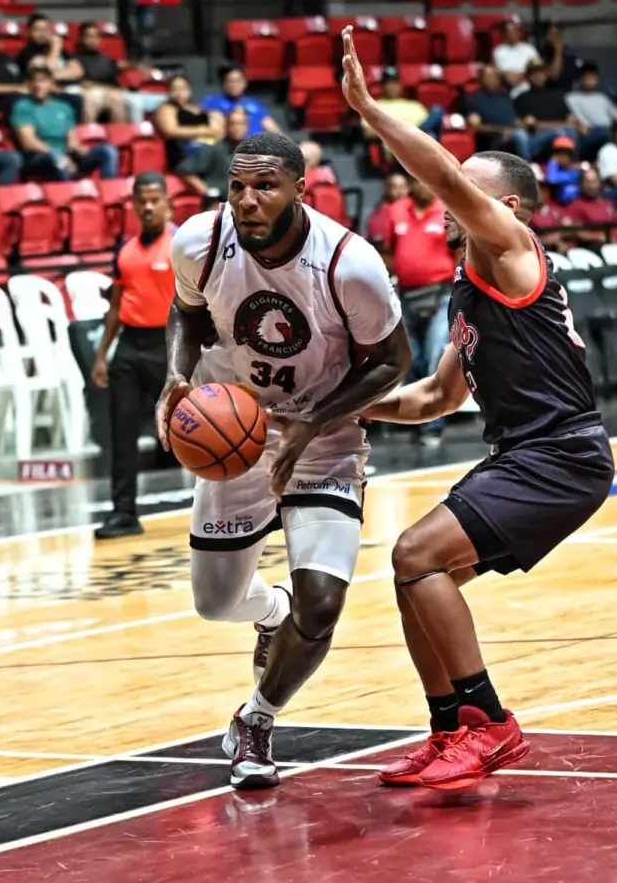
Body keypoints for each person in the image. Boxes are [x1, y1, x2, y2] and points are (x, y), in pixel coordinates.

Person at [341, 24, 614, 791]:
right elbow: (438, 396)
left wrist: (371, 109)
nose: (450, 192)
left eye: (467, 182)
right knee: (412, 572)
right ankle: (448, 727)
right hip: (529, 455)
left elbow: (440, 175)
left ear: (510, 204)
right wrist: (347, 413)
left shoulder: (513, 243)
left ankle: (490, 722)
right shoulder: (471, 284)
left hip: (561, 453)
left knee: (415, 553)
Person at [155, 131, 410, 789]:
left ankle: (256, 719)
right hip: (235, 427)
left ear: (302, 187)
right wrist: (177, 375)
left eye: (264, 185)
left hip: (321, 433)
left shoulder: (349, 263)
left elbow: (392, 361)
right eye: (236, 186)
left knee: (321, 604)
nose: (246, 199)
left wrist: (313, 421)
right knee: (216, 603)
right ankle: (272, 612)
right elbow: (184, 315)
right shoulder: (198, 242)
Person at [91, 173, 176, 539]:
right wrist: (101, 355)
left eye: (155, 199)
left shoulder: (179, 245)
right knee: (122, 433)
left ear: (167, 202)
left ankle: (228, 507)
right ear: (133, 204)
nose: (148, 206)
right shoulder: (124, 250)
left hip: (169, 345)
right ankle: (123, 513)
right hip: (128, 346)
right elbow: (115, 306)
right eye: (142, 200)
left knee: (199, 427)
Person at [384, 177, 454, 447]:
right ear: (412, 186)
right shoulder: (397, 210)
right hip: (406, 293)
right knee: (411, 358)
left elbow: (459, 250)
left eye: (429, 184)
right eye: (419, 183)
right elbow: (389, 250)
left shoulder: (446, 210)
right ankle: (413, 419)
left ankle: (433, 424)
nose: (425, 188)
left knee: (435, 355)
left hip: (440, 293)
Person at [11, 65, 119, 181]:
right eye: (34, 81)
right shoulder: (23, 107)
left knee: (107, 151)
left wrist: (78, 148)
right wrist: (59, 155)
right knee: (56, 158)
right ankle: (68, 192)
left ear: (51, 83)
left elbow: (72, 139)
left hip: (66, 155)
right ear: (28, 84)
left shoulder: (63, 107)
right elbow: (28, 143)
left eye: (43, 81)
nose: (38, 85)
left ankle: (107, 187)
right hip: (39, 157)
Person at [171, 106, 251, 198]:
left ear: (247, 126)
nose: (237, 128)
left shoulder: (251, 152)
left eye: (241, 124)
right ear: (226, 126)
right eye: (233, 124)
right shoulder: (213, 149)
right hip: (219, 202)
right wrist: (207, 192)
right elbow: (184, 170)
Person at [154, 74, 224, 174]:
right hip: (181, 151)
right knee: (210, 151)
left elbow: (217, 131)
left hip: (206, 146)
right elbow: (171, 130)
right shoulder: (167, 108)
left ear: (189, 90)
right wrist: (204, 130)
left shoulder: (198, 108)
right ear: (168, 92)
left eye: (182, 88)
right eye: (175, 89)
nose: (179, 93)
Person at [513, 59, 580, 159]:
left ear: (546, 74)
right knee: (558, 132)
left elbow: (572, 121)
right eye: (534, 73)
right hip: (536, 139)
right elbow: (522, 124)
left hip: (560, 132)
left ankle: (573, 164)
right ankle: (529, 169)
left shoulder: (558, 96)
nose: (538, 76)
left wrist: (541, 124)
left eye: (541, 72)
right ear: (528, 76)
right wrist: (555, 125)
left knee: (569, 131)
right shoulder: (521, 98)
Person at [465, 63, 532, 160]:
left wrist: (523, 123)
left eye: (494, 76)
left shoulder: (505, 97)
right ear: (480, 79)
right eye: (487, 77)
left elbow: (514, 119)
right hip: (495, 139)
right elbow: (476, 127)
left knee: (554, 133)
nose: (491, 80)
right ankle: (528, 166)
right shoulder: (474, 100)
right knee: (520, 135)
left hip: (514, 132)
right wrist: (501, 130)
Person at [565, 168, 617, 249]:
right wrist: (599, 237)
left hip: (616, 247)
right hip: (593, 249)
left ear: (599, 183)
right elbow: (574, 232)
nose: (591, 186)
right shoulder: (575, 206)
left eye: (594, 181)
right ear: (581, 184)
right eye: (587, 182)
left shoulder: (608, 204)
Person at [200, 63, 281, 134]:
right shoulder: (213, 102)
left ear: (245, 82)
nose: (234, 85)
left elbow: (272, 128)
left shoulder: (254, 103)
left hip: (257, 147)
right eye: (230, 81)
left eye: (238, 81)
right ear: (223, 84)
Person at [564, 61, 617, 159]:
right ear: (581, 79)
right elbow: (571, 118)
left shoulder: (602, 97)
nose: (591, 81)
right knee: (607, 133)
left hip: (608, 129)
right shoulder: (571, 98)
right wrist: (579, 126)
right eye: (588, 78)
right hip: (589, 133)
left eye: (593, 78)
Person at [492, 17, 540, 95]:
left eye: (514, 31)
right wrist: (509, 77)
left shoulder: (529, 49)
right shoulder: (498, 51)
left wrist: (523, 76)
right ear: (504, 34)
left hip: (530, 89)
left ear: (519, 32)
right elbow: (500, 73)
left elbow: (538, 68)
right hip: (508, 91)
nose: (511, 34)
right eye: (508, 31)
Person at [366, 172, 408, 248]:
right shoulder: (379, 209)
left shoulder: (413, 209)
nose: (399, 191)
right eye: (395, 187)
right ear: (387, 188)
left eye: (402, 187)